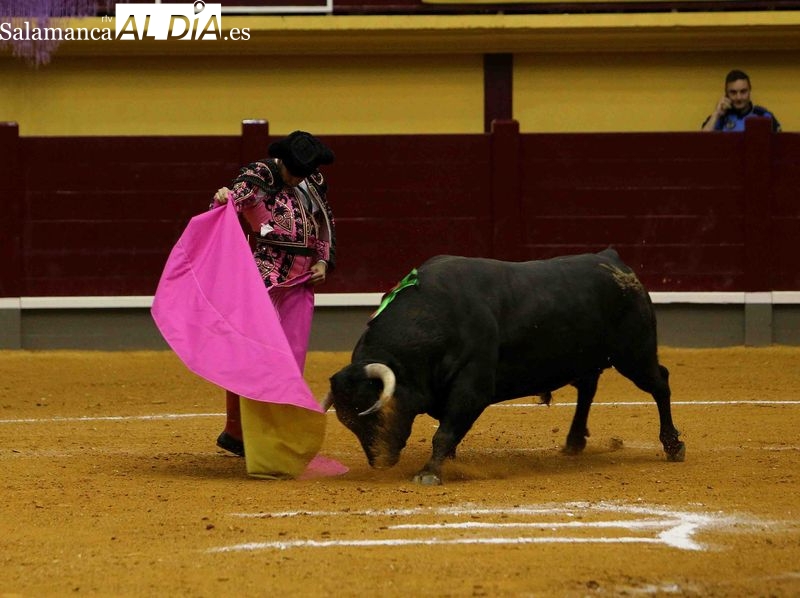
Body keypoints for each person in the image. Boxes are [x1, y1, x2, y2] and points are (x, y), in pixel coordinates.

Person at [210, 130, 336, 456]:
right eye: (293, 171)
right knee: (251, 357)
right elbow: (230, 202)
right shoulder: (261, 173)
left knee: (289, 362)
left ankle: (270, 432)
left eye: (303, 172)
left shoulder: (313, 180)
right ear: (283, 161)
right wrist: (224, 197)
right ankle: (237, 432)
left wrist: (323, 260)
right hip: (265, 278)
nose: (296, 178)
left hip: (301, 280)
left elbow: (324, 222)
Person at [701, 69, 781, 133]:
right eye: (733, 92)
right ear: (726, 94)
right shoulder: (719, 118)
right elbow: (701, 143)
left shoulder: (764, 115)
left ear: (749, 91)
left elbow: (780, 146)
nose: (738, 97)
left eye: (743, 91)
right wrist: (717, 114)